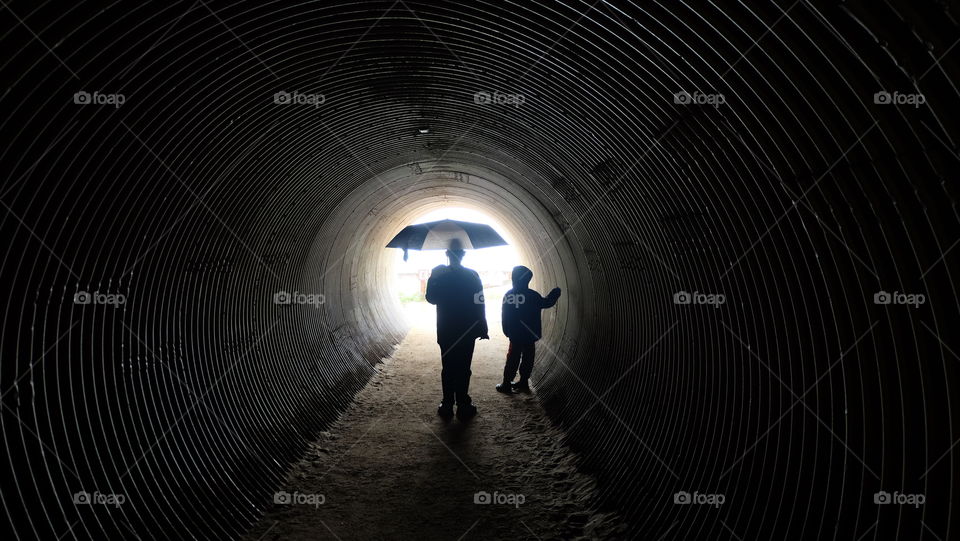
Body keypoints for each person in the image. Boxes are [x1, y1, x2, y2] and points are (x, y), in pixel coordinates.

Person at [425, 239, 489, 419]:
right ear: (463, 255)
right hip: (467, 329)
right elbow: (480, 302)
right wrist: (482, 326)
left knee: (448, 367)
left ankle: (447, 404)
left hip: (446, 328)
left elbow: (431, 298)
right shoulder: (473, 275)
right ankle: (463, 404)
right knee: (464, 367)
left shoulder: (440, 275)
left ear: (447, 255)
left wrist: (433, 277)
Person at [496, 265, 561, 393]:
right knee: (528, 357)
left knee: (513, 358)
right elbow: (546, 303)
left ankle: (506, 383)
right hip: (530, 334)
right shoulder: (533, 295)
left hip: (515, 334)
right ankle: (523, 381)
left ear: (514, 279)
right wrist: (555, 293)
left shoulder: (509, 295)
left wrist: (506, 330)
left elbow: (505, 315)